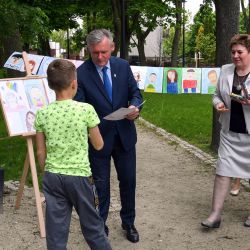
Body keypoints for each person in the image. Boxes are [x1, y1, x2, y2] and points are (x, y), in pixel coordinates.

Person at [35, 59, 112, 250]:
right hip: (79, 177)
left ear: (51, 85)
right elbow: (99, 144)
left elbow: (40, 151)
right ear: (74, 84)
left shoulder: (42, 114)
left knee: (55, 233)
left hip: (53, 176)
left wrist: (47, 169)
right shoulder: (86, 110)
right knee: (93, 227)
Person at [74, 29, 142, 243]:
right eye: (95, 53)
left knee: (128, 181)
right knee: (100, 184)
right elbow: (79, 105)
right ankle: (99, 224)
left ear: (112, 47)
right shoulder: (82, 73)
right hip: (98, 139)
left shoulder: (122, 66)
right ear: (89, 51)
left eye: (104, 52)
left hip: (124, 136)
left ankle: (128, 222)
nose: (100, 57)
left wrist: (135, 107)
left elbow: (135, 92)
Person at [201, 34, 250, 229]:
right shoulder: (226, 70)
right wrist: (219, 103)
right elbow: (215, 95)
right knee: (222, 171)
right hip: (230, 132)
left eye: (240, 52)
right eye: (233, 52)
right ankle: (215, 215)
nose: (236, 56)